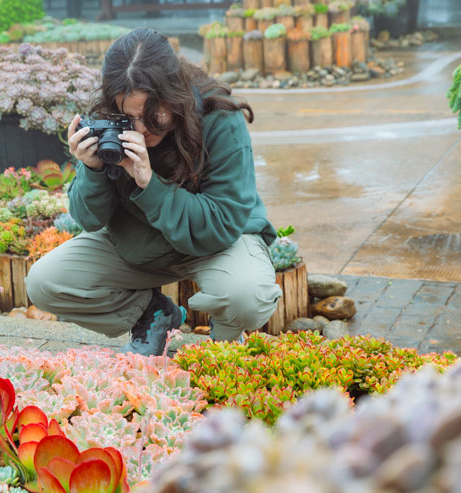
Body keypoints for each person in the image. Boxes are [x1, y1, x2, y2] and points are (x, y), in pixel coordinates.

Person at [25, 28, 282, 356]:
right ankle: (154, 313)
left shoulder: (219, 119)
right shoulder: (111, 121)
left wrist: (150, 183)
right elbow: (89, 220)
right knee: (45, 283)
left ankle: (227, 331)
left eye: (152, 114)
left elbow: (223, 221)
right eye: (129, 117)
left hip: (217, 243)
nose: (142, 129)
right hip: (140, 245)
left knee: (246, 297)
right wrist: (92, 170)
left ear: (175, 95)